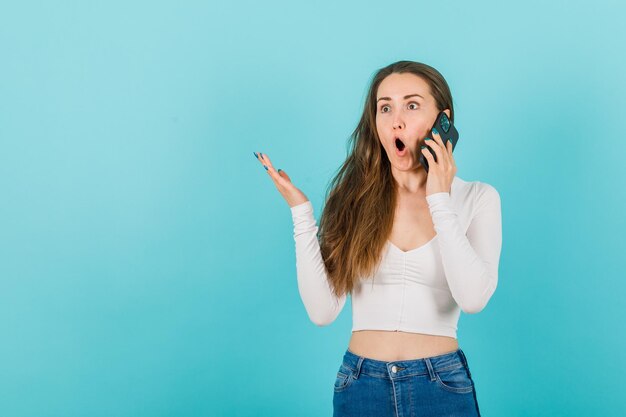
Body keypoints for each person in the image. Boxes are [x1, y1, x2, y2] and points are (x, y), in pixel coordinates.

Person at [253, 60, 502, 417]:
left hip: (440, 385)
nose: (395, 120)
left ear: (443, 120)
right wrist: (302, 215)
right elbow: (323, 311)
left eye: (411, 105)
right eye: (385, 107)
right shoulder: (353, 199)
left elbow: (474, 298)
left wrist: (439, 198)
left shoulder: (477, 198)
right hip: (361, 385)